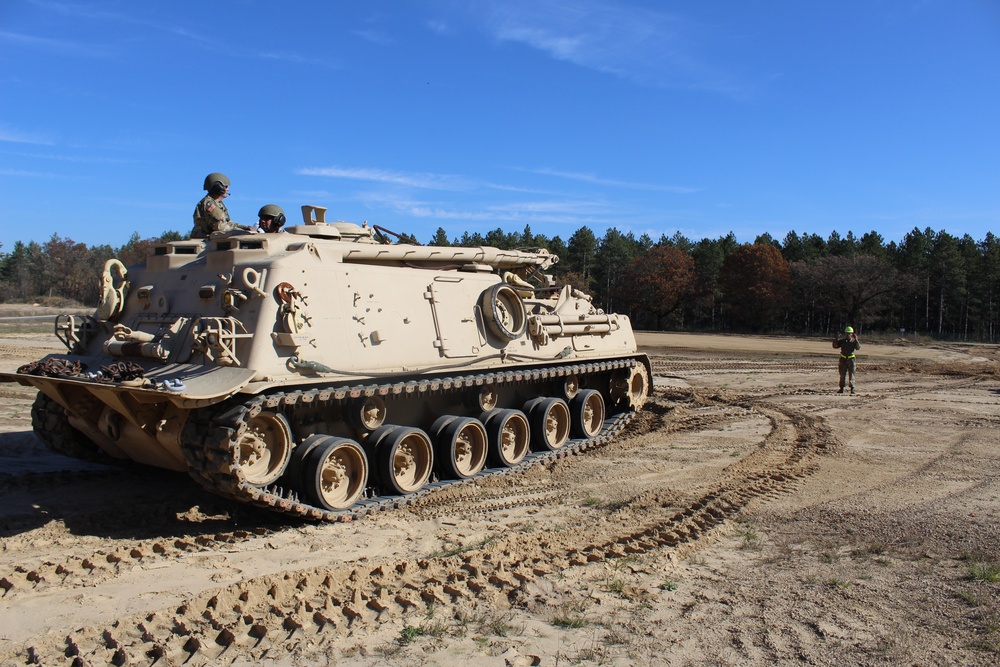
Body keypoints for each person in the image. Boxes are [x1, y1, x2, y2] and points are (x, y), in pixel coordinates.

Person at [191, 172, 250, 238]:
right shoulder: (209, 204)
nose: (228, 189)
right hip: (205, 241)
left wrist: (244, 228)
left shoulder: (218, 203)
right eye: (226, 186)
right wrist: (241, 232)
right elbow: (220, 227)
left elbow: (228, 223)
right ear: (218, 187)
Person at [833, 326, 861, 394]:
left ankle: (852, 388)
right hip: (843, 359)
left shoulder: (854, 341)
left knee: (851, 375)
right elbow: (835, 346)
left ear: (852, 334)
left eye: (849, 333)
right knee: (842, 375)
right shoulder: (842, 341)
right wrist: (836, 338)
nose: (847, 335)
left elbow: (858, 348)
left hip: (851, 359)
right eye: (846, 333)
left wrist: (856, 339)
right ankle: (842, 388)